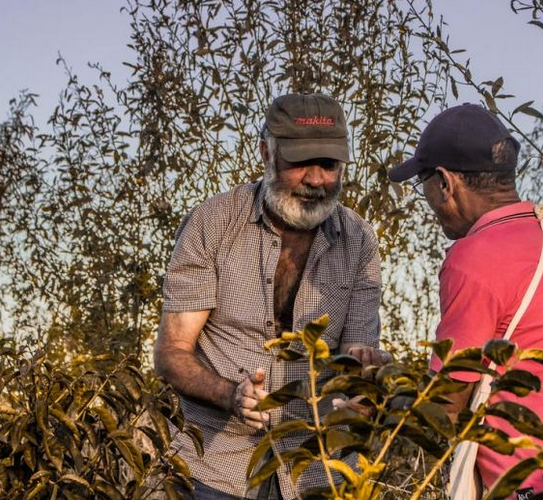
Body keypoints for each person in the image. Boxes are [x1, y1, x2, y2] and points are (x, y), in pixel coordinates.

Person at [387, 104, 543, 499]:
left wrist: (377, 396)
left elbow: (446, 405)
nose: (429, 200)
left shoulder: (474, 257)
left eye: (424, 184)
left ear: (444, 182)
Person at [154, 93, 387, 500]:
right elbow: (172, 352)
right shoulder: (213, 222)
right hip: (215, 465)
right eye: (300, 163)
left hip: (318, 470)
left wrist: (365, 390)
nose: (316, 180)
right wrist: (230, 394)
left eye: (329, 165)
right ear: (265, 151)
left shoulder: (359, 241)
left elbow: (357, 353)